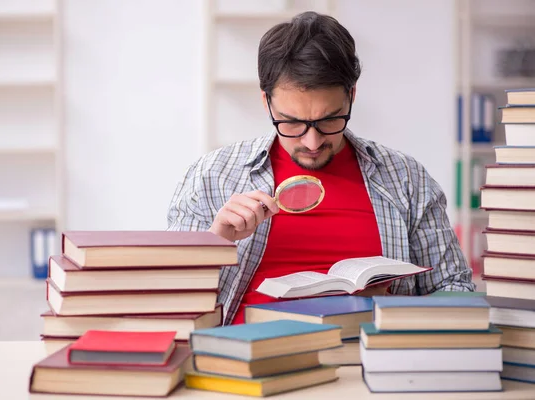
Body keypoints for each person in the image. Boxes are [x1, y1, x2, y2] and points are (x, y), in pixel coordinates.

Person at [167, 11, 475, 325]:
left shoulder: (408, 179)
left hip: (370, 361)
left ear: (352, 95)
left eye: (329, 119)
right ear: (266, 102)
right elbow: (170, 303)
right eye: (292, 123)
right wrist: (217, 242)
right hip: (247, 359)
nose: (312, 142)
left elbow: (454, 286)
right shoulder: (211, 176)